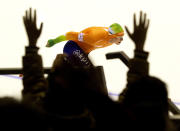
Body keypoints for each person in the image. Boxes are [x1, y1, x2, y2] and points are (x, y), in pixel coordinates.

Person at [46, 23, 124, 66]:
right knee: (87, 69)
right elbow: (70, 35)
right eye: (120, 37)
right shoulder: (94, 36)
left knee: (88, 72)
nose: (122, 39)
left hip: (83, 52)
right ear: (113, 36)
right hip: (72, 46)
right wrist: (54, 41)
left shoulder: (112, 40)